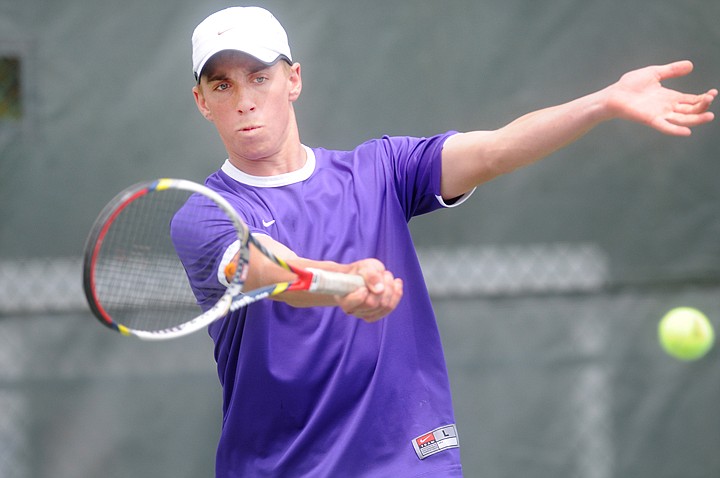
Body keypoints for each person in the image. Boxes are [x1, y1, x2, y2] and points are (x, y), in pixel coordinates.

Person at [175, 6, 716, 477]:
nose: (244, 99)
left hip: (408, 462)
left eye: (259, 77)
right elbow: (263, 268)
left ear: (293, 80)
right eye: (222, 85)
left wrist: (604, 103)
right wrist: (339, 283)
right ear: (202, 101)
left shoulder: (381, 169)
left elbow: (495, 151)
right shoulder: (205, 214)